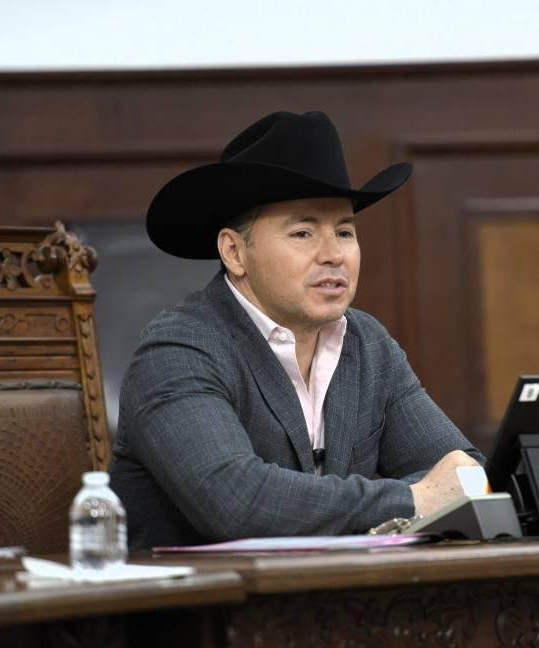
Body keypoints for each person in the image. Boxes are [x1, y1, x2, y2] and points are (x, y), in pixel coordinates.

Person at [108, 111, 483, 549]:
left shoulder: (367, 344)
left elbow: (463, 471)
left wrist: (434, 490)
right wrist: (412, 499)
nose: (333, 254)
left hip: (337, 588)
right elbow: (236, 502)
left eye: (344, 232)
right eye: (303, 233)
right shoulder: (179, 349)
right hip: (193, 592)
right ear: (234, 252)